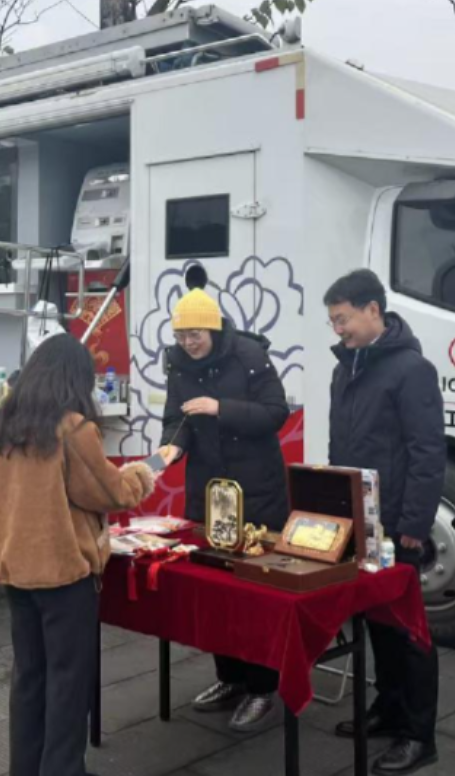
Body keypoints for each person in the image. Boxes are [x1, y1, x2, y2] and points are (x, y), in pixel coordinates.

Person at [0, 333, 176, 776]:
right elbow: (110, 491)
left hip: (14, 569)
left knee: (29, 677)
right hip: (64, 575)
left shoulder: (1, 424)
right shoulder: (72, 428)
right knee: (68, 682)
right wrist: (148, 468)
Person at [158, 269, 290, 732]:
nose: (188, 342)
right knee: (214, 591)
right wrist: (171, 447)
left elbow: (277, 412)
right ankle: (229, 678)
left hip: (257, 492)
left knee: (255, 593)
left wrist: (221, 409)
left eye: (195, 333)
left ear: (213, 328)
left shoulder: (250, 356)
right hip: (208, 492)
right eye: (181, 335)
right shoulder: (177, 363)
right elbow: (176, 417)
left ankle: (262, 688)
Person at [325, 270, 445, 775]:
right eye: (333, 322)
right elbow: (340, 445)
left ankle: (419, 734)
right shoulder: (345, 368)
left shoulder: (412, 370)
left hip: (398, 522)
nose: (338, 330)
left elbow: (427, 453)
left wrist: (415, 522)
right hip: (361, 520)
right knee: (377, 621)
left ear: (373, 310)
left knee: (409, 630)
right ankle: (389, 707)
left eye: (343, 319)